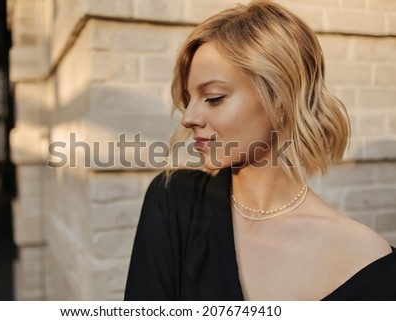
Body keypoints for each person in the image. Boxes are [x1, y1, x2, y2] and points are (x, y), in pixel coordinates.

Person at [124, 0, 396, 300]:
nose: (188, 117)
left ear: (280, 100)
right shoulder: (175, 203)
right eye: (189, 99)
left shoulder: (371, 263)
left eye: (213, 98)